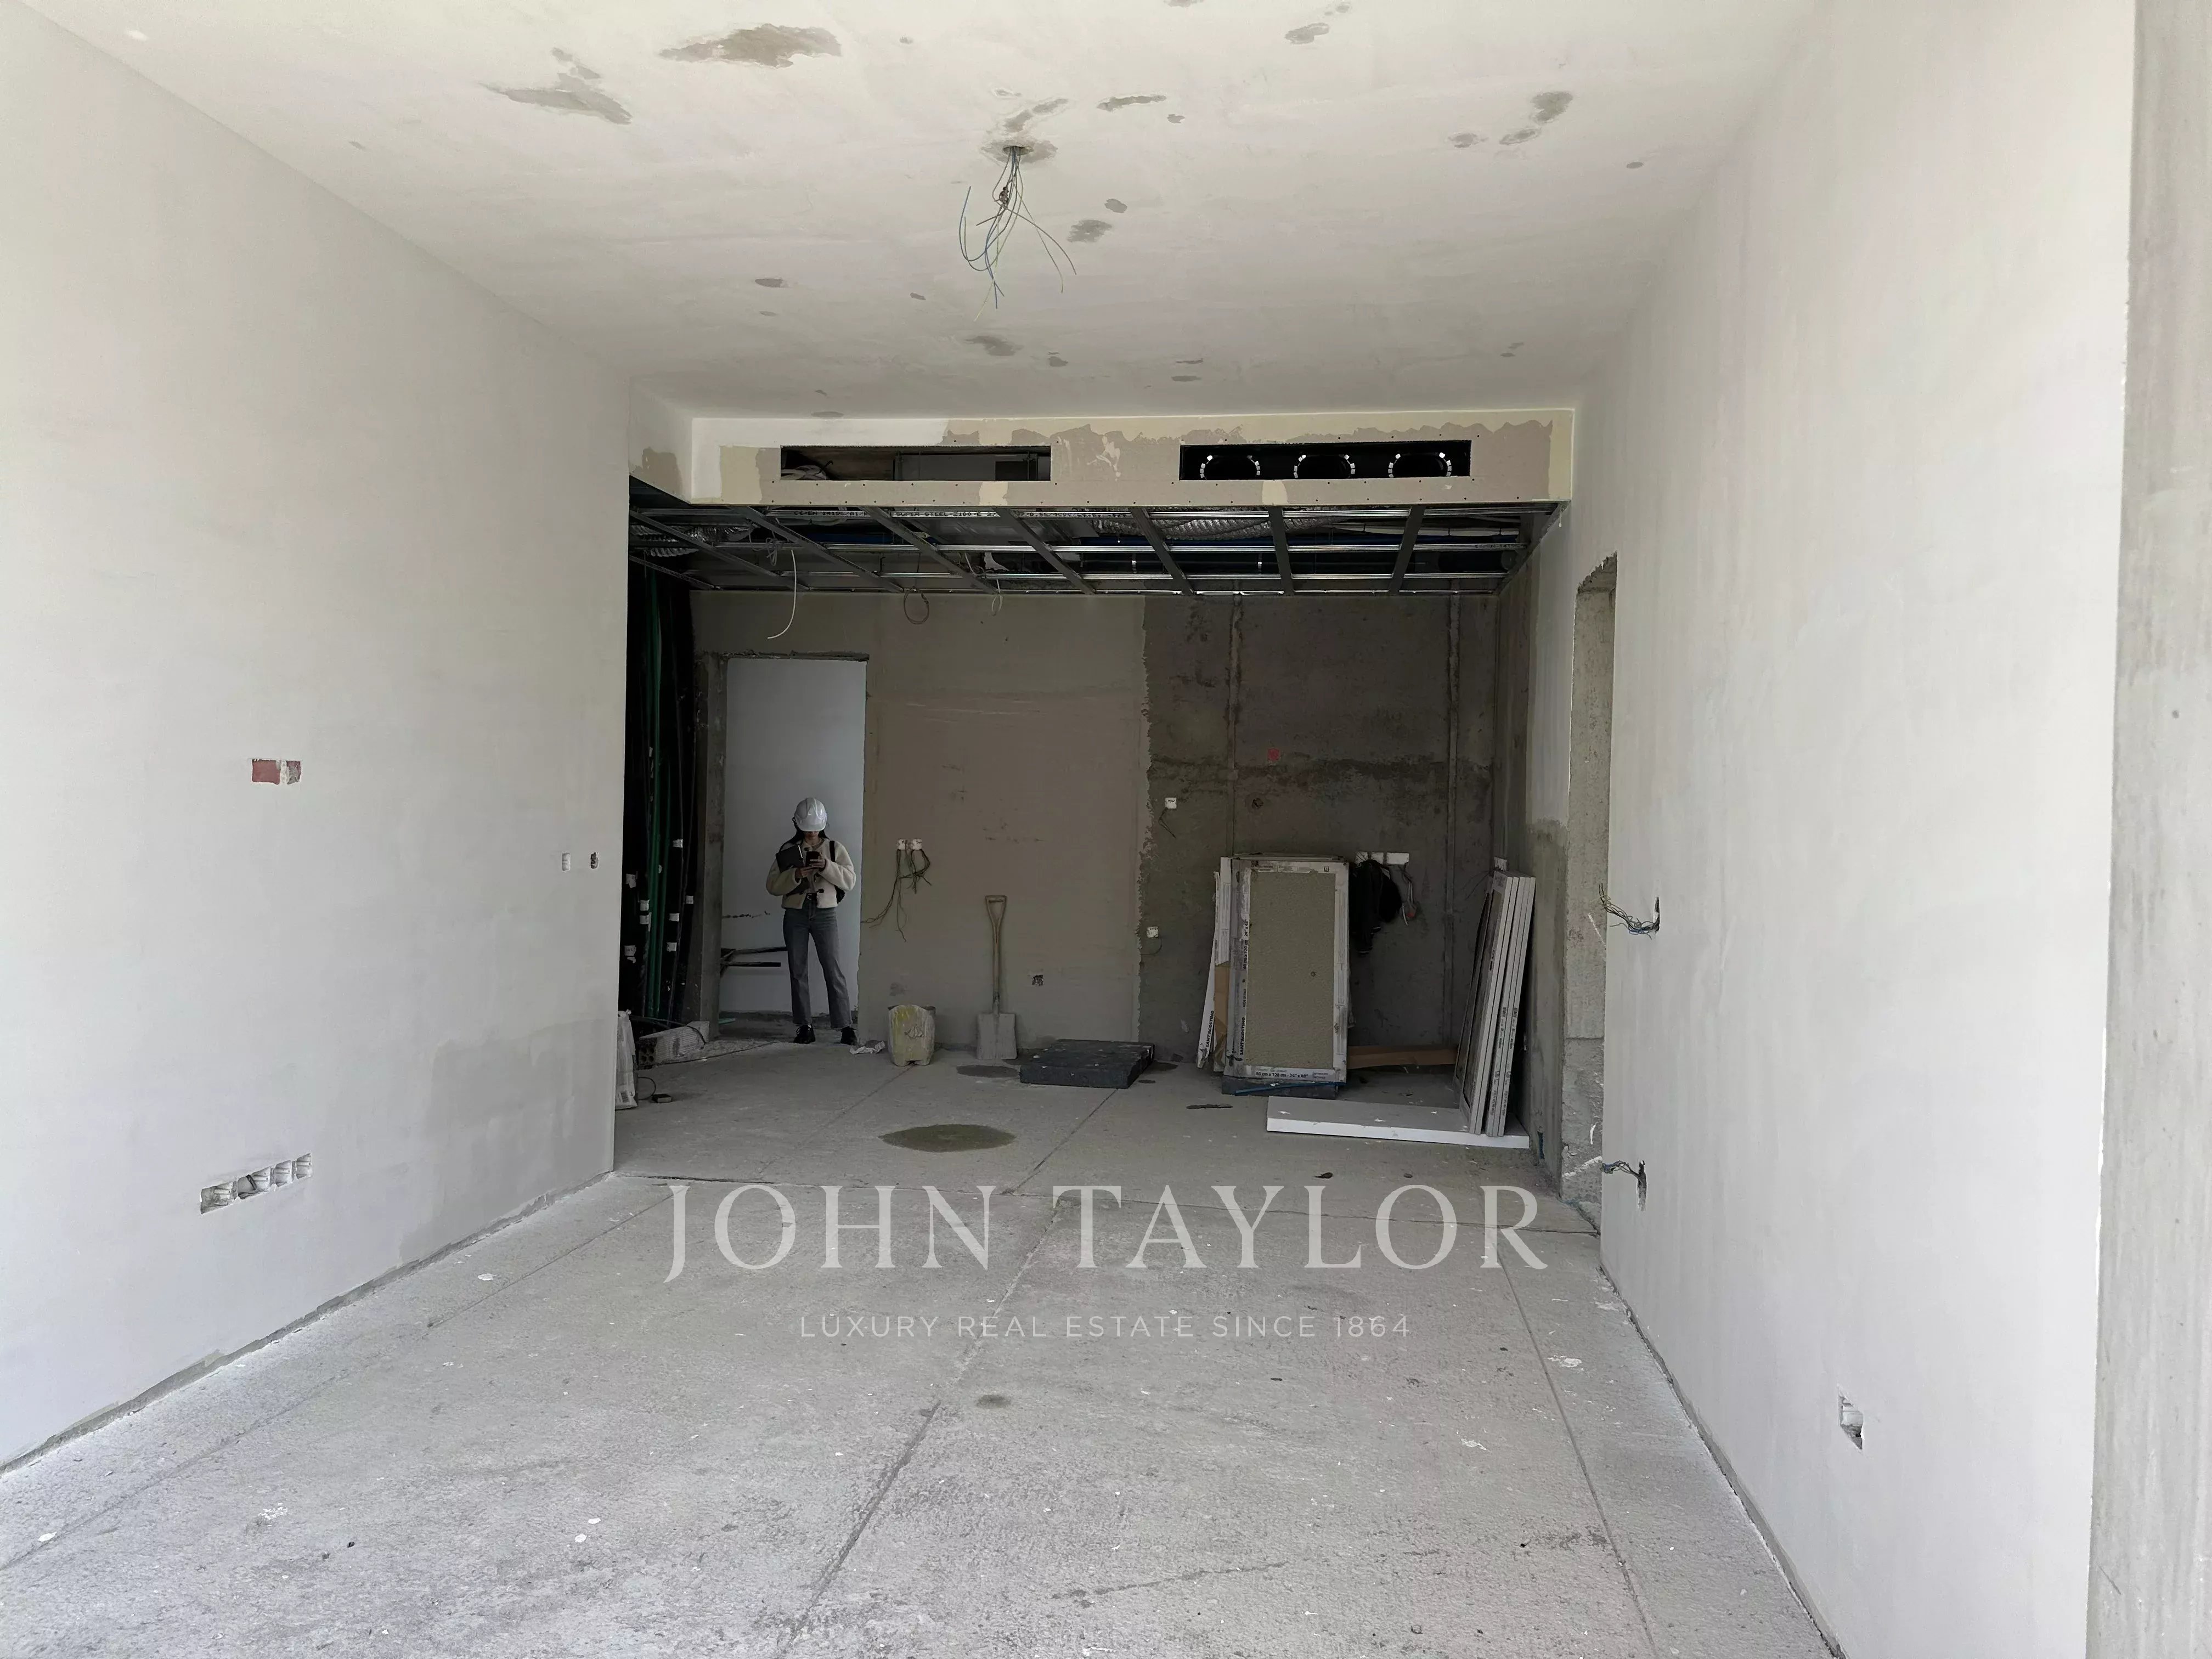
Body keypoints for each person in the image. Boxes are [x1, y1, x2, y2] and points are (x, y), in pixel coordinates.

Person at [766, 797, 856, 1046]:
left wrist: (826, 866)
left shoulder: (835, 848)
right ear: (798, 825)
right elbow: (772, 885)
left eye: (815, 828)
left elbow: (850, 880)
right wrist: (796, 874)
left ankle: (845, 1026)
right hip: (795, 913)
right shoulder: (788, 849)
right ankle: (804, 1026)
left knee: (833, 969)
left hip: (825, 913)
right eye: (807, 829)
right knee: (798, 970)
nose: (811, 833)